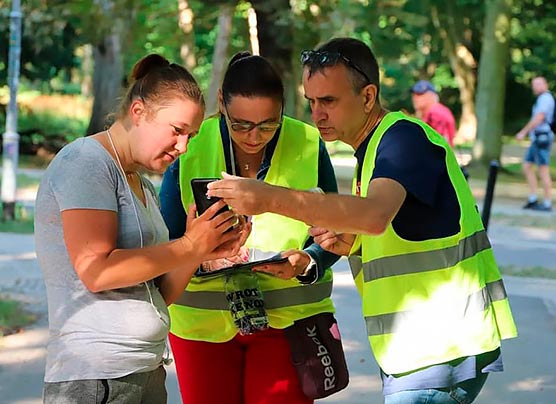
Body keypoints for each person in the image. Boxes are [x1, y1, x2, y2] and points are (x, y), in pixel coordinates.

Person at [208, 38, 518, 404]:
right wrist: (347, 245)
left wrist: (268, 198)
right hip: (421, 351)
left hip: (438, 349)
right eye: (311, 101)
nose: (316, 114)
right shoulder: (373, 151)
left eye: (328, 101)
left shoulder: (402, 139)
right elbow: (398, 233)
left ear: (368, 96)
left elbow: (373, 216)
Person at [34, 54, 247, 404]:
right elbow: (96, 271)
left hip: (144, 370)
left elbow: (157, 295)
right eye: (177, 130)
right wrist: (188, 246)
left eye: (191, 136)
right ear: (138, 112)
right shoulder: (86, 162)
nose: (183, 147)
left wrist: (203, 250)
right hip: (96, 377)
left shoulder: (144, 186)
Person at [159, 52, 340, 404]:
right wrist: (198, 251)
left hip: (289, 321)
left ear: (284, 108)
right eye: (240, 124)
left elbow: (336, 231)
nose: (254, 137)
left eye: (268, 125)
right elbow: (164, 242)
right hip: (202, 326)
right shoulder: (190, 145)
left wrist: (307, 260)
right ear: (222, 106)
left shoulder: (307, 142)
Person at [515, 76, 555, 212]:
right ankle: (533, 198)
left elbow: (539, 117)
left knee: (543, 170)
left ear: (545, 84)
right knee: (527, 166)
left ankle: (547, 202)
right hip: (536, 138)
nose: (535, 87)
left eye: (538, 84)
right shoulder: (541, 99)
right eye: (534, 84)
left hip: (542, 138)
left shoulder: (546, 98)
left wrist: (523, 132)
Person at [411, 79, 456, 147]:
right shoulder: (426, 113)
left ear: (431, 96)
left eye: (420, 94)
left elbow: (439, 145)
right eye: (414, 94)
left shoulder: (436, 114)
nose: (415, 98)